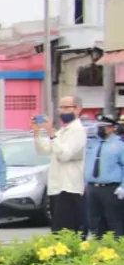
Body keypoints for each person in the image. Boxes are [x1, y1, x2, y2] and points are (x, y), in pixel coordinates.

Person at [33, 96, 87, 233]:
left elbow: (65, 155)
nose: (62, 111)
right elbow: (43, 150)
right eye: (60, 107)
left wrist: (51, 133)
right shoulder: (62, 131)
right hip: (56, 187)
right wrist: (37, 132)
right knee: (57, 231)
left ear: (77, 109)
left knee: (68, 231)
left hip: (69, 188)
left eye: (66, 107)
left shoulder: (78, 131)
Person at [85, 115, 124, 238]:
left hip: (111, 189)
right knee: (95, 221)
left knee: (114, 222)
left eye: (103, 127)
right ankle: (99, 250)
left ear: (111, 128)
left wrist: (123, 186)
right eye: (99, 127)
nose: (100, 130)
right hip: (93, 188)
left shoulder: (119, 144)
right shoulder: (92, 143)